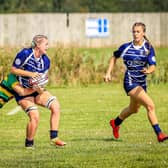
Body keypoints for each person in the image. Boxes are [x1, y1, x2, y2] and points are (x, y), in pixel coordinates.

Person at [104, 22, 168, 142]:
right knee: (150, 105)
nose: (135, 34)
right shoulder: (126, 47)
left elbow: (153, 65)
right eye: (134, 31)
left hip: (141, 84)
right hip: (130, 82)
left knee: (133, 109)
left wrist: (149, 70)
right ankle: (160, 134)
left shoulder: (148, 48)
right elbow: (114, 57)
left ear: (143, 33)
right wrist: (108, 73)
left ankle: (115, 123)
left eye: (138, 31)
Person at [11, 34, 66, 148]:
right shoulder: (25, 54)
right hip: (23, 90)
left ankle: (54, 138)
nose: (47, 47)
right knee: (35, 115)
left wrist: (39, 89)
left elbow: (41, 80)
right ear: (37, 45)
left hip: (35, 90)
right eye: (46, 44)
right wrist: (30, 74)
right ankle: (29, 144)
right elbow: (13, 70)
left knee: (55, 105)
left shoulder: (46, 60)